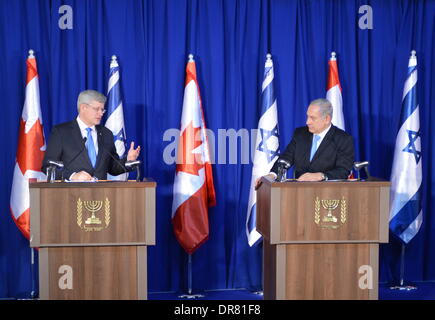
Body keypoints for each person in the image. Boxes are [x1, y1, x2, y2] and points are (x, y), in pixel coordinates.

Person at [42, 89, 140, 181]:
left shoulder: (106, 134)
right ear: (83, 107)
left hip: (102, 196)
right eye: (97, 109)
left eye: (102, 110)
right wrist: (73, 176)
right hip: (71, 195)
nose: (101, 113)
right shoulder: (61, 132)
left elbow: (112, 167)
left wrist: (127, 160)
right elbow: (48, 167)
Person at [257, 98, 354, 187]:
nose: (307, 122)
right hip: (299, 194)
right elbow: (286, 158)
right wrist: (272, 175)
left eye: (313, 118)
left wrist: (321, 176)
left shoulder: (343, 139)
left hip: (327, 195)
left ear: (327, 119)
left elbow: (343, 171)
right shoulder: (300, 134)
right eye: (307, 117)